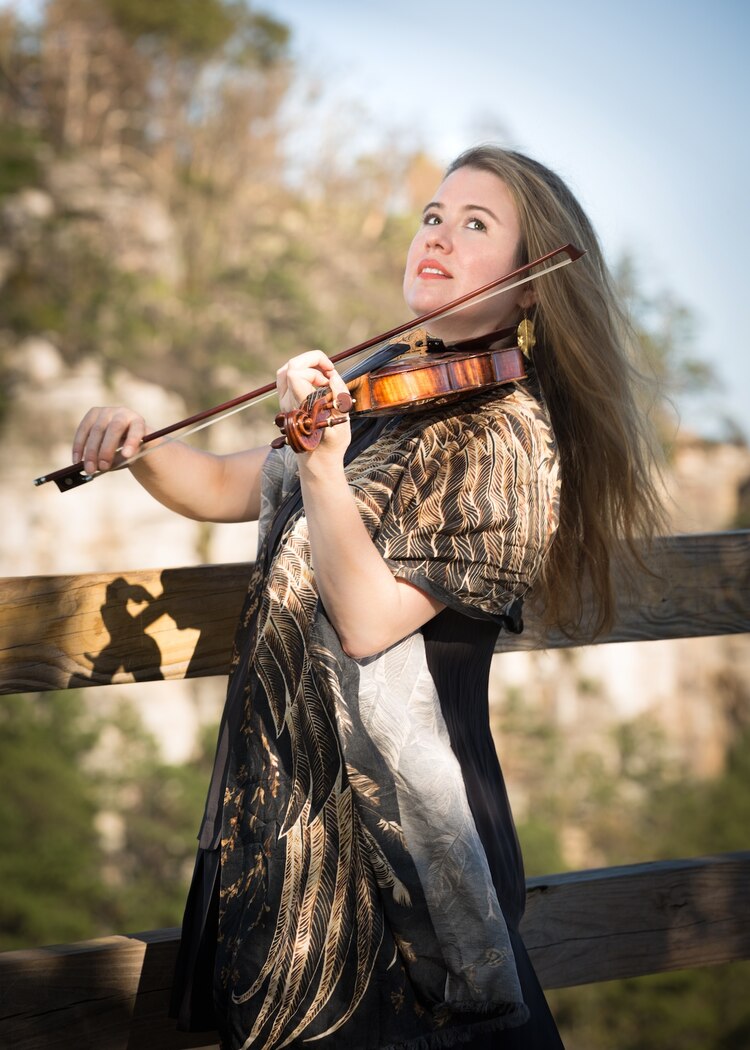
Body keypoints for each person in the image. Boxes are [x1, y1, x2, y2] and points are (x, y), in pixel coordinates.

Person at [72, 145, 664, 1049]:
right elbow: (233, 485)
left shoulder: (510, 441)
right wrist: (141, 446)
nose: (440, 237)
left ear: (531, 284)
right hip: (289, 808)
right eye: (434, 216)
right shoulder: (386, 383)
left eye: (477, 226)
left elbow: (369, 620)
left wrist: (320, 460)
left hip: (397, 845)